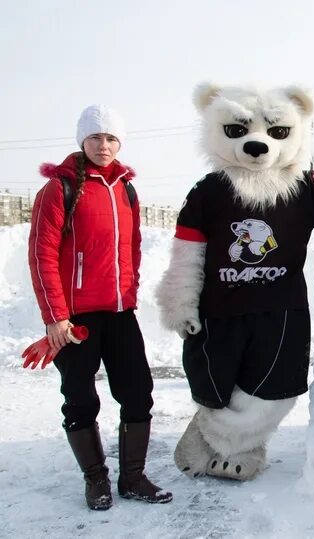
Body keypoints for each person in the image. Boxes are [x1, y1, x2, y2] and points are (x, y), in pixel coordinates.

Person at [27, 104, 172, 510]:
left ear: (119, 143)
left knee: (138, 391)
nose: (103, 145)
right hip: (76, 318)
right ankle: (95, 479)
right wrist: (56, 317)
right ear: (82, 140)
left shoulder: (126, 188)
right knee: (79, 398)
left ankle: (133, 477)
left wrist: (130, 290)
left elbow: (133, 247)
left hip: (120, 312)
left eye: (110, 138)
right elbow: (42, 254)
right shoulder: (60, 188)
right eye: (95, 137)